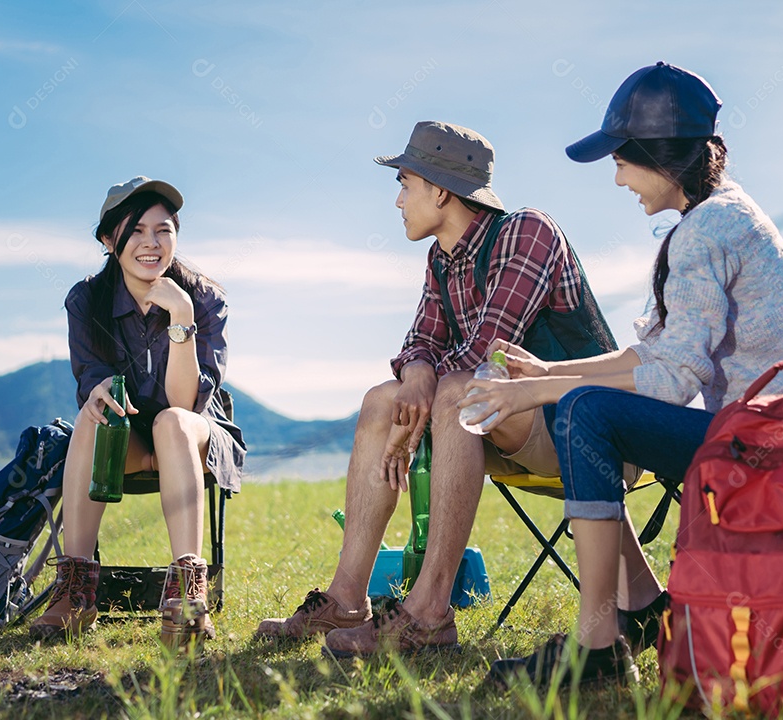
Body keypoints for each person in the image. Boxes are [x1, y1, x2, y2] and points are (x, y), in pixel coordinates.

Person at [463, 63, 783, 688]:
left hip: (767, 446)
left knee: (584, 411)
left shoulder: (704, 231)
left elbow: (672, 378)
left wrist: (536, 390)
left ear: (657, 157)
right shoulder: (723, 215)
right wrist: (548, 369)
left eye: (621, 160)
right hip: (779, 432)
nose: (616, 178)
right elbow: (663, 351)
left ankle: (598, 646)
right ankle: (637, 611)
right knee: (581, 403)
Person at [255, 121, 623, 657]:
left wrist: (427, 376)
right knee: (383, 398)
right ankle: (346, 597)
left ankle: (429, 612)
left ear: (441, 191)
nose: (398, 200)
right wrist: (417, 372)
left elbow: (485, 358)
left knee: (453, 389)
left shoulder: (528, 231)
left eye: (405, 184)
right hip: (498, 424)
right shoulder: (442, 259)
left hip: (585, 431)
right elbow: (419, 343)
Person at [29, 177, 245, 645]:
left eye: (163, 230)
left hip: (194, 436)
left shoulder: (204, 299)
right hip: (121, 439)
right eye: (136, 231)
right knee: (93, 412)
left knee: (171, 423)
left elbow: (185, 405)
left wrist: (181, 319)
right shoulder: (87, 300)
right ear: (109, 240)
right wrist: (100, 388)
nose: (151, 243)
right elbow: (90, 379)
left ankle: (189, 597)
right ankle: (75, 591)